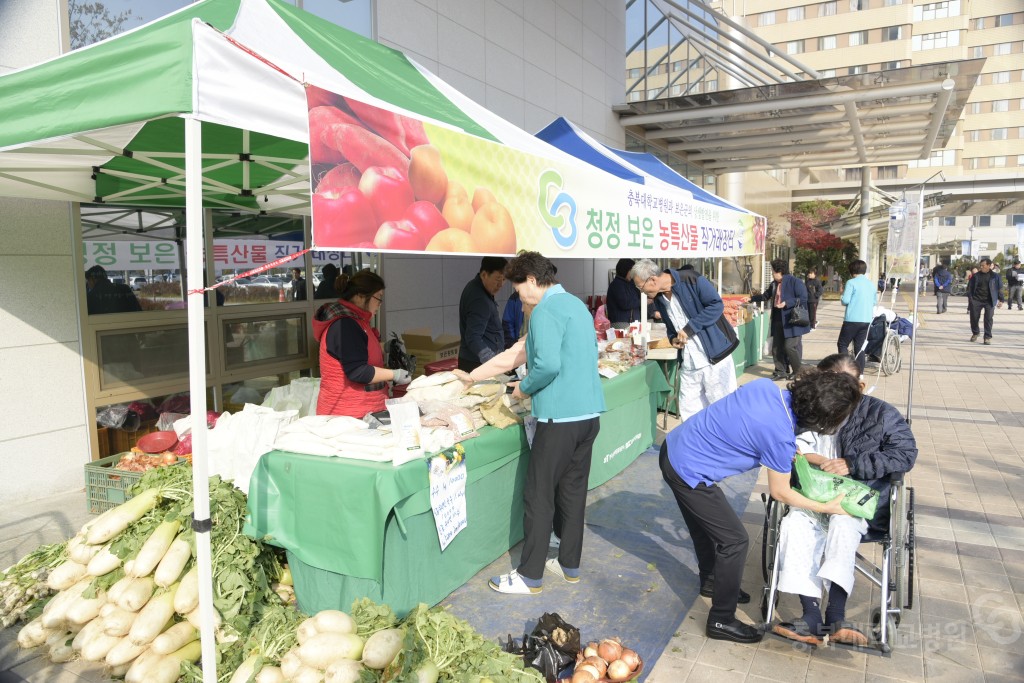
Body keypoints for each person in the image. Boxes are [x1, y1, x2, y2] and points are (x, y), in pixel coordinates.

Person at [661, 370, 862, 643]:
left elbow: (751, 426)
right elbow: (781, 492)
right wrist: (826, 507)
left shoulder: (767, 388)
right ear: (822, 419)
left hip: (675, 446)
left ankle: (712, 582)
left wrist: (784, 447)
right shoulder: (779, 437)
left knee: (704, 527)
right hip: (688, 470)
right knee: (734, 541)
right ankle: (721, 619)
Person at [772, 354, 917, 647]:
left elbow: (905, 453)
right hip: (809, 495)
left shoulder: (881, 414)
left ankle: (836, 616)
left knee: (843, 525)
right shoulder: (807, 406)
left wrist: (853, 464)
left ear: (860, 385)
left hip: (853, 500)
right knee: (795, 524)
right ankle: (810, 615)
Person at [488, 251, 605, 596]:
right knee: (572, 492)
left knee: (539, 495)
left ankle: (529, 575)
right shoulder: (575, 305)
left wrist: (522, 389)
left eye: (519, 288)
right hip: (588, 416)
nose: (519, 296)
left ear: (533, 281)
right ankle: (569, 565)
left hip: (558, 418)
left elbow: (548, 365)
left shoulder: (544, 312)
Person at [630, 259, 739, 421]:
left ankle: (728, 445)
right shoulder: (660, 299)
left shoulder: (691, 280)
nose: (641, 292)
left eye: (640, 287)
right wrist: (674, 338)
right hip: (689, 362)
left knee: (722, 408)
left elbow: (716, 305)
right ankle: (695, 445)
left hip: (714, 358)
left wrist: (689, 329)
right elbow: (671, 326)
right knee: (689, 413)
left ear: (652, 280)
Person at [312, 269, 410, 417]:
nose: (380, 304)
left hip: (362, 408)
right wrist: (394, 374)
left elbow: (360, 350)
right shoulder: (344, 325)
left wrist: (386, 347)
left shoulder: (357, 321)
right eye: (379, 298)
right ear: (360, 296)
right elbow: (358, 371)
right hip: (348, 414)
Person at [751, 259, 810, 381]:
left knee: (790, 347)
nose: (772, 273)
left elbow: (803, 298)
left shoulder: (795, 282)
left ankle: (798, 371)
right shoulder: (774, 284)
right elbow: (765, 296)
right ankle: (780, 371)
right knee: (777, 347)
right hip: (778, 318)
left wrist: (787, 303)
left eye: (773, 271)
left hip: (792, 320)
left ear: (780, 271)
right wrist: (751, 299)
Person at [458, 256, 508, 373]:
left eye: (504, 279)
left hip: (474, 361)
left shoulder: (476, 287)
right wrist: (493, 362)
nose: (500, 284)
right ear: (484, 275)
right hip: (477, 364)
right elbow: (473, 337)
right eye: (498, 279)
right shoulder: (479, 299)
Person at [838, 259, 875, 375]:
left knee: (843, 344)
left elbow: (845, 300)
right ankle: (860, 374)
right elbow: (874, 301)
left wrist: (841, 295)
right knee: (860, 348)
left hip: (852, 320)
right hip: (866, 320)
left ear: (852, 270)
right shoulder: (871, 283)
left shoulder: (851, 282)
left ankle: (845, 369)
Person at [966, 258, 1004, 344]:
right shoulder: (976, 276)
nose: (981, 267)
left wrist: (1001, 300)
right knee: (974, 318)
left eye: (983, 265)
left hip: (989, 301)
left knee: (988, 319)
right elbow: (969, 288)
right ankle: (975, 333)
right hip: (976, 300)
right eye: (981, 265)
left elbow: (1000, 288)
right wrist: (971, 298)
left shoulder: (995, 276)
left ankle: (987, 337)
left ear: (989, 265)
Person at [605, 258, 641, 328]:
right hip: (621, 324)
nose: (633, 274)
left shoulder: (631, 283)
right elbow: (625, 303)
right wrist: (642, 302)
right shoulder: (616, 285)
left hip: (633, 323)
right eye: (632, 271)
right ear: (625, 270)